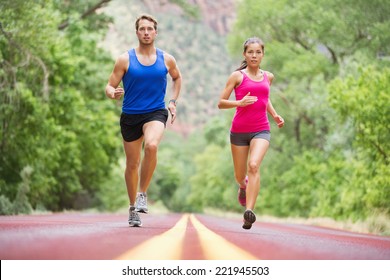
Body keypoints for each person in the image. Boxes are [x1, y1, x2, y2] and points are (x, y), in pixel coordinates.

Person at [105, 14, 182, 227]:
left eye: (150, 29)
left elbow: (177, 77)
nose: (146, 32)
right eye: (142, 29)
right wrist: (112, 93)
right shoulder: (124, 59)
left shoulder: (167, 59)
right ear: (137, 32)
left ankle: (142, 194)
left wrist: (173, 101)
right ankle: (132, 208)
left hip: (155, 112)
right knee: (132, 164)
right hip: (130, 115)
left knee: (152, 145)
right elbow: (109, 85)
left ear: (156, 32)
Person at [217, 37, 284, 230]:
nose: (254, 55)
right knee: (240, 176)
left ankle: (249, 212)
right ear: (245, 54)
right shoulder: (237, 76)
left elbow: (265, 98)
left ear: (263, 54)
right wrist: (238, 103)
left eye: (258, 52)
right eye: (250, 52)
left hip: (261, 129)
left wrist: (275, 115)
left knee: (253, 165)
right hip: (238, 131)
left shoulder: (268, 77)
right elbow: (221, 102)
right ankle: (243, 186)